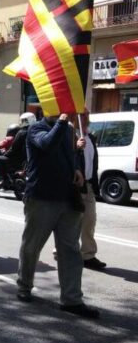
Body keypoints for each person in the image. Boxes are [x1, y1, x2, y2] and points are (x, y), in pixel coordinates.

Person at [16, 112, 99, 319]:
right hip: (42, 198)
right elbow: (48, 145)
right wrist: (62, 121)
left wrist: (77, 169)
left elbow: (72, 154)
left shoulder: (69, 130)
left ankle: (71, 300)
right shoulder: (36, 129)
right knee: (32, 246)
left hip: (68, 198)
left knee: (70, 251)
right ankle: (24, 286)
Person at [75, 109, 106, 270]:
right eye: (83, 115)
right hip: (73, 186)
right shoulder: (69, 136)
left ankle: (88, 255)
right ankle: (61, 251)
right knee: (71, 222)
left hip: (88, 185)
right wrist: (76, 147)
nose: (86, 118)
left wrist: (94, 184)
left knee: (89, 221)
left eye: (87, 115)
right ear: (75, 117)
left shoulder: (91, 138)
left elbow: (93, 163)